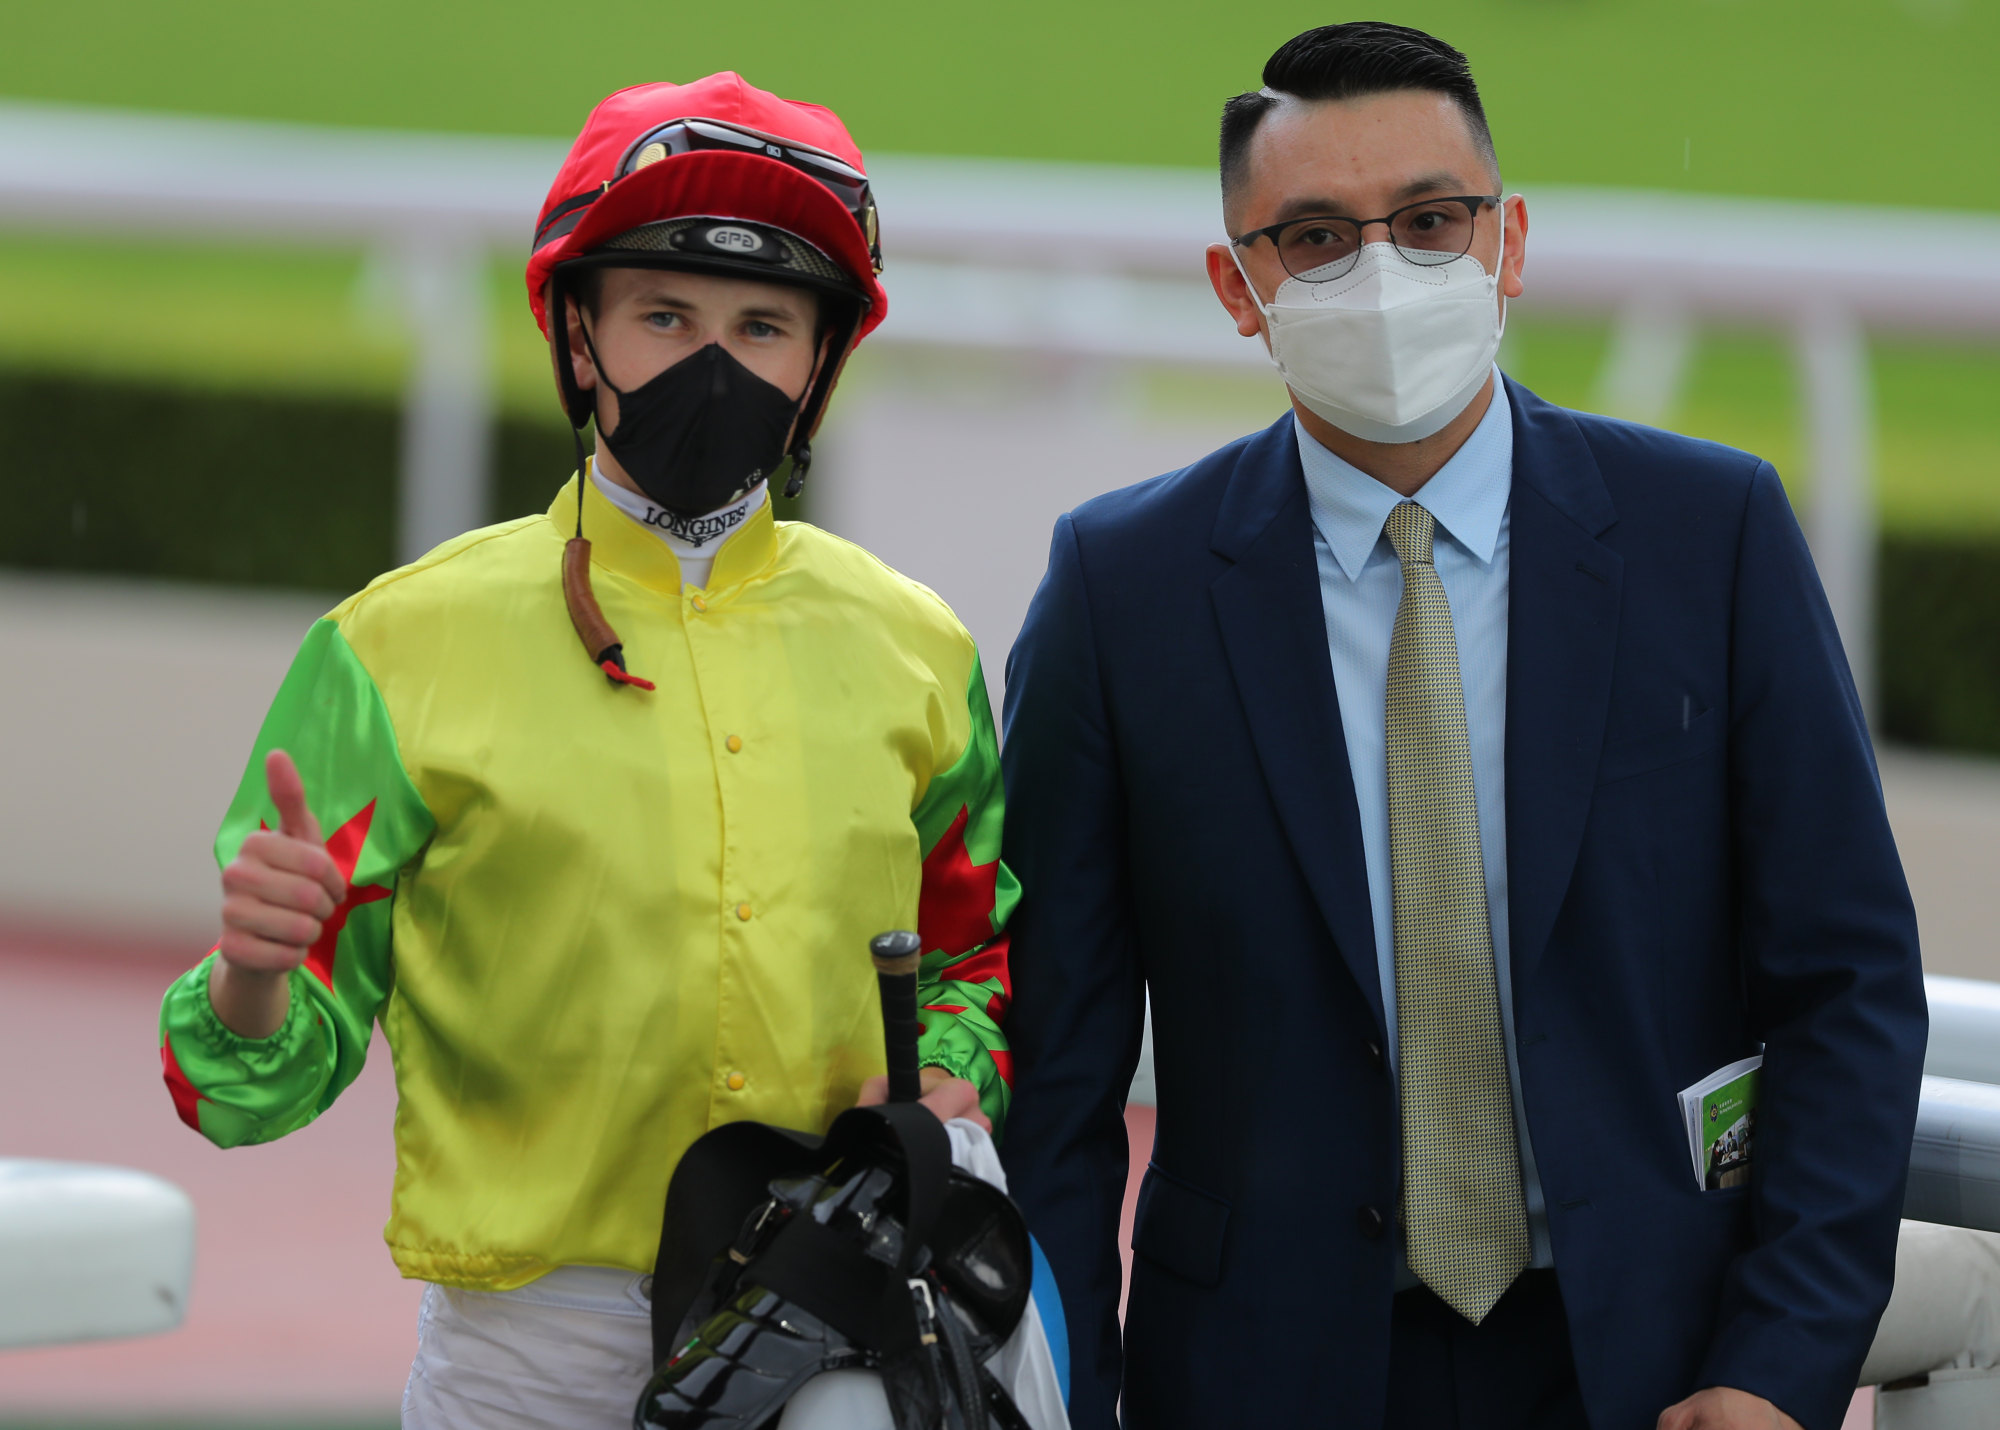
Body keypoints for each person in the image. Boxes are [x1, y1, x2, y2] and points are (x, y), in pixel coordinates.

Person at [997, 22, 1924, 1430]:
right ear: (1237, 286)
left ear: (1512, 242)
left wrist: (1779, 1364)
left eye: (1431, 220)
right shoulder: (1121, 591)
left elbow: (1848, 983)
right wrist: (1056, 1408)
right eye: (1313, 236)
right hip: (1259, 1375)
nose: (1381, 272)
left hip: (1651, 1367)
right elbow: (1054, 1082)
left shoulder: (1710, 535)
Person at [155, 72, 1020, 1428]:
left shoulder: (923, 650)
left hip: (838, 1318)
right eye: (665, 315)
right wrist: (255, 981)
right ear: (577, 337)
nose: (715, 363)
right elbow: (241, 1090)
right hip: (525, 1362)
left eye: (763, 325)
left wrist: (958, 1072)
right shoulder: (390, 649)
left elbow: (976, 953)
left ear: (820, 364)